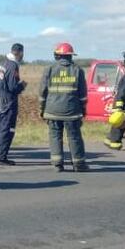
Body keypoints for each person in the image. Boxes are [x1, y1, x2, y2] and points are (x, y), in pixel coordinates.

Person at [39, 42, 89, 171]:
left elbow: (42, 92)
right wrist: (83, 110)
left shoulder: (49, 69)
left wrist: (42, 109)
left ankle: (57, 165)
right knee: (74, 137)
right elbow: (83, 95)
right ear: (70, 56)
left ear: (57, 55)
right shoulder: (78, 70)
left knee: (55, 137)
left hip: (52, 110)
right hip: (72, 111)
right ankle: (78, 165)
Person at [0, 43, 26, 166]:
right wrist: (22, 85)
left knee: (0, 128)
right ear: (20, 52)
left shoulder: (2, 62)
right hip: (7, 100)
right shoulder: (13, 65)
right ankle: (1, 157)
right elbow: (13, 87)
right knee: (7, 129)